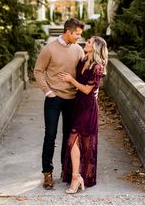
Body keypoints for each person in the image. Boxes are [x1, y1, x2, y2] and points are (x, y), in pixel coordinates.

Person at [34, 18, 85, 190]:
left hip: (72, 99)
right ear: (68, 32)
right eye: (77, 34)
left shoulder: (78, 50)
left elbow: (84, 73)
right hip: (53, 99)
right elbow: (38, 71)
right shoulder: (49, 49)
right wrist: (48, 92)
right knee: (50, 136)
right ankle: (47, 173)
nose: (79, 37)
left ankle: (66, 170)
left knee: (68, 138)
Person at [58, 36, 108, 194]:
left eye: (89, 42)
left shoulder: (97, 67)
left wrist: (71, 80)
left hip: (88, 108)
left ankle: (76, 178)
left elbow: (87, 90)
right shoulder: (83, 60)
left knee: (73, 140)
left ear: (95, 47)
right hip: (78, 104)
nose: (85, 43)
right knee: (76, 142)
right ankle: (76, 176)